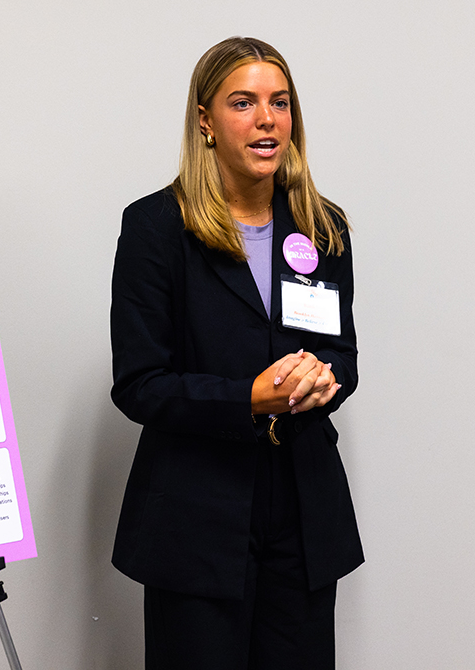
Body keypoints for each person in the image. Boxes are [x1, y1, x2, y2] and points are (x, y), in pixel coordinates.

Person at [110, 37, 363, 669]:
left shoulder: (321, 227)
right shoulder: (154, 229)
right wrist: (250, 398)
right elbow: (139, 383)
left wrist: (321, 378)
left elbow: (343, 358)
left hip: (303, 511)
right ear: (205, 121)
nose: (267, 119)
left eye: (279, 102)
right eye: (243, 102)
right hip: (197, 512)